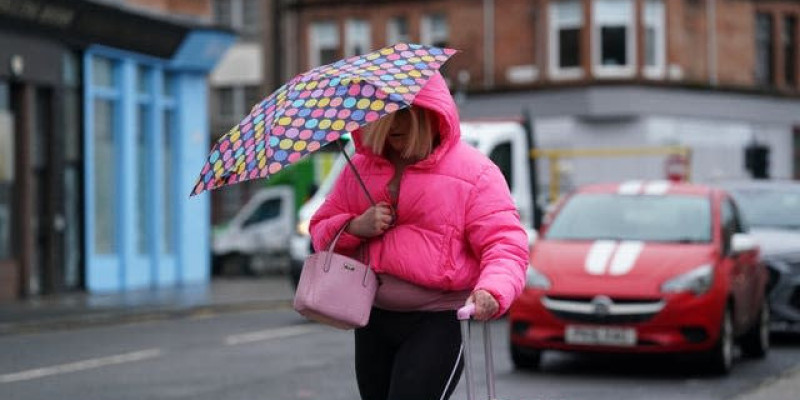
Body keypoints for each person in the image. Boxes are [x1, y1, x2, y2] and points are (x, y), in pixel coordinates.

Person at [309, 71, 528, 400]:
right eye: (381, 113)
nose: (392, 124)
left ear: (429, 113)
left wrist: (493, 290)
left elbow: (505, 245)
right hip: (372, 318)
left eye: (402, 113)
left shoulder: (477, 172)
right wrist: (355, 226)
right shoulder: (360, 167)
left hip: (438, 321)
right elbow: (320, 230)